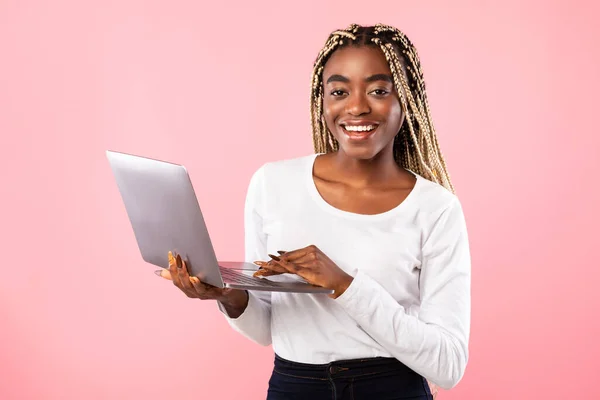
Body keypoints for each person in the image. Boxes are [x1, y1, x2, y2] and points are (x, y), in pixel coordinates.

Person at [157, 23, 471, 400]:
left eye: (378, 90)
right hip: (294, 387)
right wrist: (229, 296)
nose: (356, 106)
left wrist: (344, 285)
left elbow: (448, 366)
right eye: (339, 91)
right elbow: (266, 328)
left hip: (392, 388)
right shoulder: (273, 184)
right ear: (322, 101)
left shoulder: (436, 209)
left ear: (407, 100)